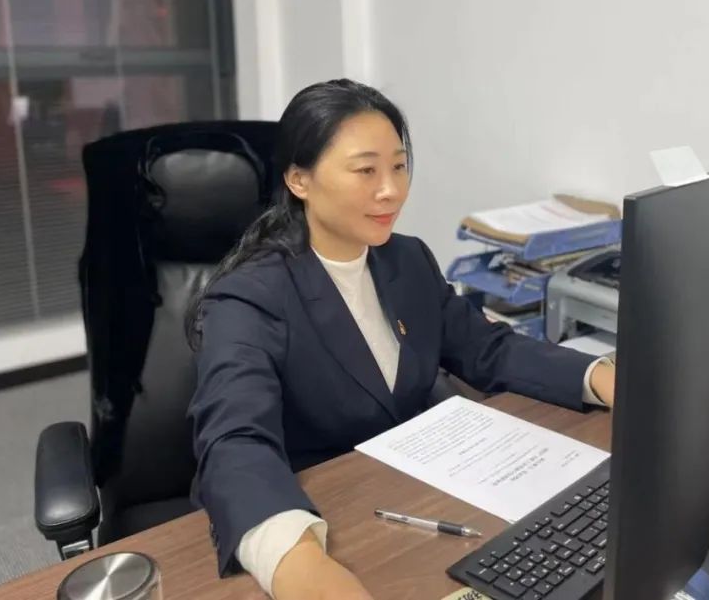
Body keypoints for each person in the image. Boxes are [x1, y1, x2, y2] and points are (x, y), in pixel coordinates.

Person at [186, 79, 616, 600]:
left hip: (407, 499)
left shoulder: (406, 259)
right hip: (313, 514)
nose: (391, 190)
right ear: (300, 180)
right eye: (366, 170)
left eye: (399, 166)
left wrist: (600, 377)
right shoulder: (249, 296)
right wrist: (298, 563)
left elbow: (488, 348)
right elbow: (235, 441)